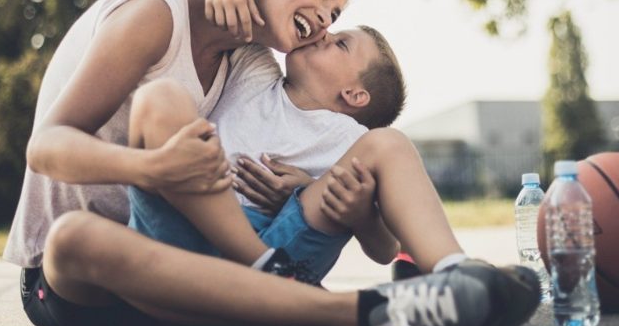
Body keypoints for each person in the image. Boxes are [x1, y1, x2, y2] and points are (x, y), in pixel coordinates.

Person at [4, 0, 538, 326]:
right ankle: (352, 310)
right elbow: (46, 145)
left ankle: (455, 277)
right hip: (102, 281)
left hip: (209, 274)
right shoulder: (156, 14)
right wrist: (153, 166)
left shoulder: (254, 55)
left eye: (336, 17)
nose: (326, 22)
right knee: (74, 235)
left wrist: (327, 199)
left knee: (387, 145)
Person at [128, 26, 467, 287]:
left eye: (341, 43)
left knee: (391, 143)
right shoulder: (256, 69)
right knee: (160, 96)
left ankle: (454, 271)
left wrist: (357, 214)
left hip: (282, 251)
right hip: (188, 230)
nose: (323, 33)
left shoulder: (354, 141)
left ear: (354, 94)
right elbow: (247, 9)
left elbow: (384, 250)